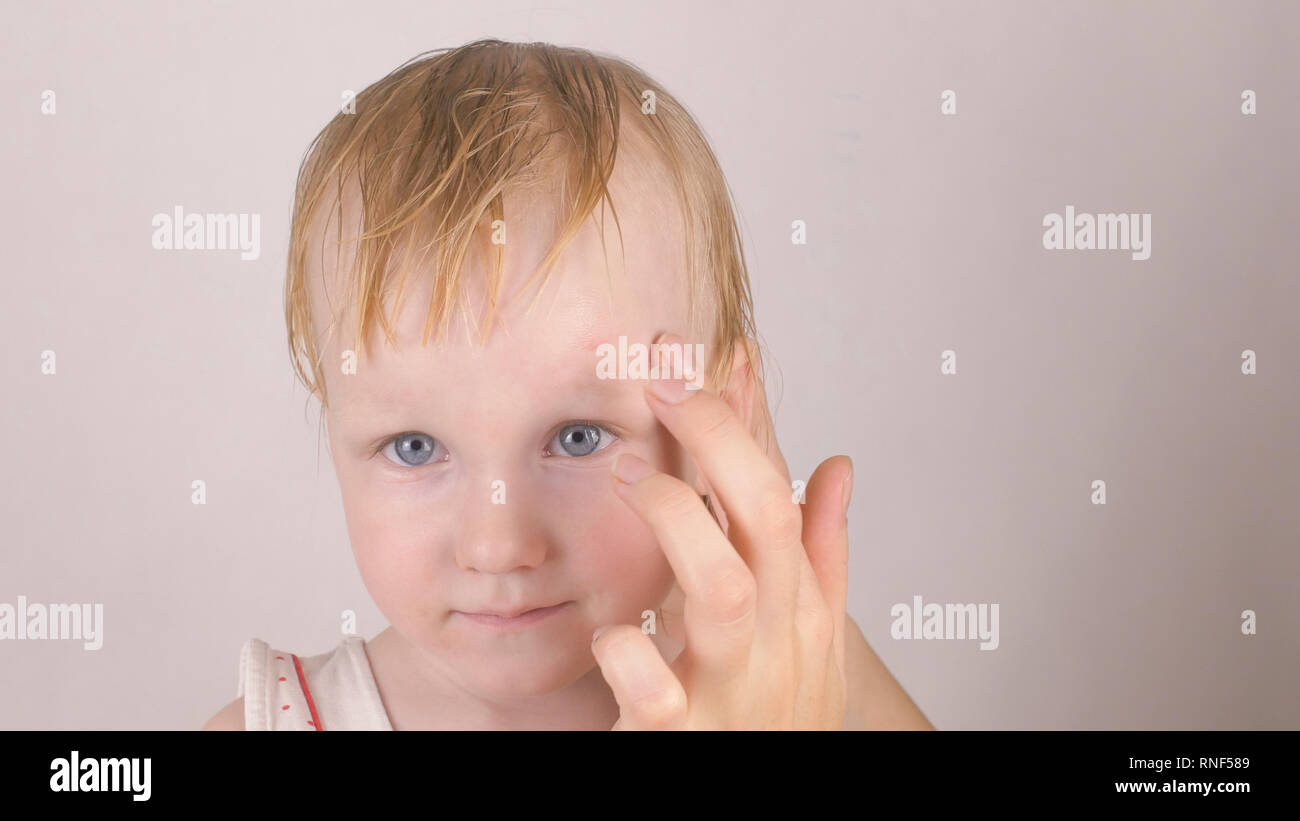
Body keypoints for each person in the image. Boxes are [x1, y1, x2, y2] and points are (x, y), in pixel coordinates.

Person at [203, 38, 931, 730]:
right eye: (416, 446)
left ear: (724, 418)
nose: (498, 544)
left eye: (578, 438)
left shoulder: (805, 684)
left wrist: (834, 671)